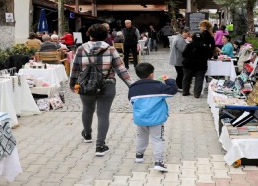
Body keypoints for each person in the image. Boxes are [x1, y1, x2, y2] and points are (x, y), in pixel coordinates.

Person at [69, 24, 133, 156]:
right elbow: (121, 70)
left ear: (89, 34)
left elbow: (74, 69)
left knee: (87, 109)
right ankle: (100, 146)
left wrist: (72, 85)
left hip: (85, 85)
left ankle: (87, 134)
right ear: (106, 36)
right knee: (103, 115)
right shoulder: (110, 49)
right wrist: (132, 85)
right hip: (107, 85)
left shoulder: (81, 49)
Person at [128, 63, 177, 172]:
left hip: (140, 119)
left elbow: (131, 101)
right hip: (156, 119)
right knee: (157, 139)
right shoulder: (158, 86)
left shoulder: (133, 88)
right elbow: (173, 91)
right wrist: (169, 80)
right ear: (151, 74)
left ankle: (139, 155)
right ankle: (158, 162)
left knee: (141, 137)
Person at [181, 32, 214, 98]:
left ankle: (185, 91)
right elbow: (210, 55)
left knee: (186, 78)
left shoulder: (189, 45)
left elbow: (184, 54)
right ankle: (197, 94)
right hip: (201, 65)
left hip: (188, 64)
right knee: (199, 79)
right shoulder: (205, 46)